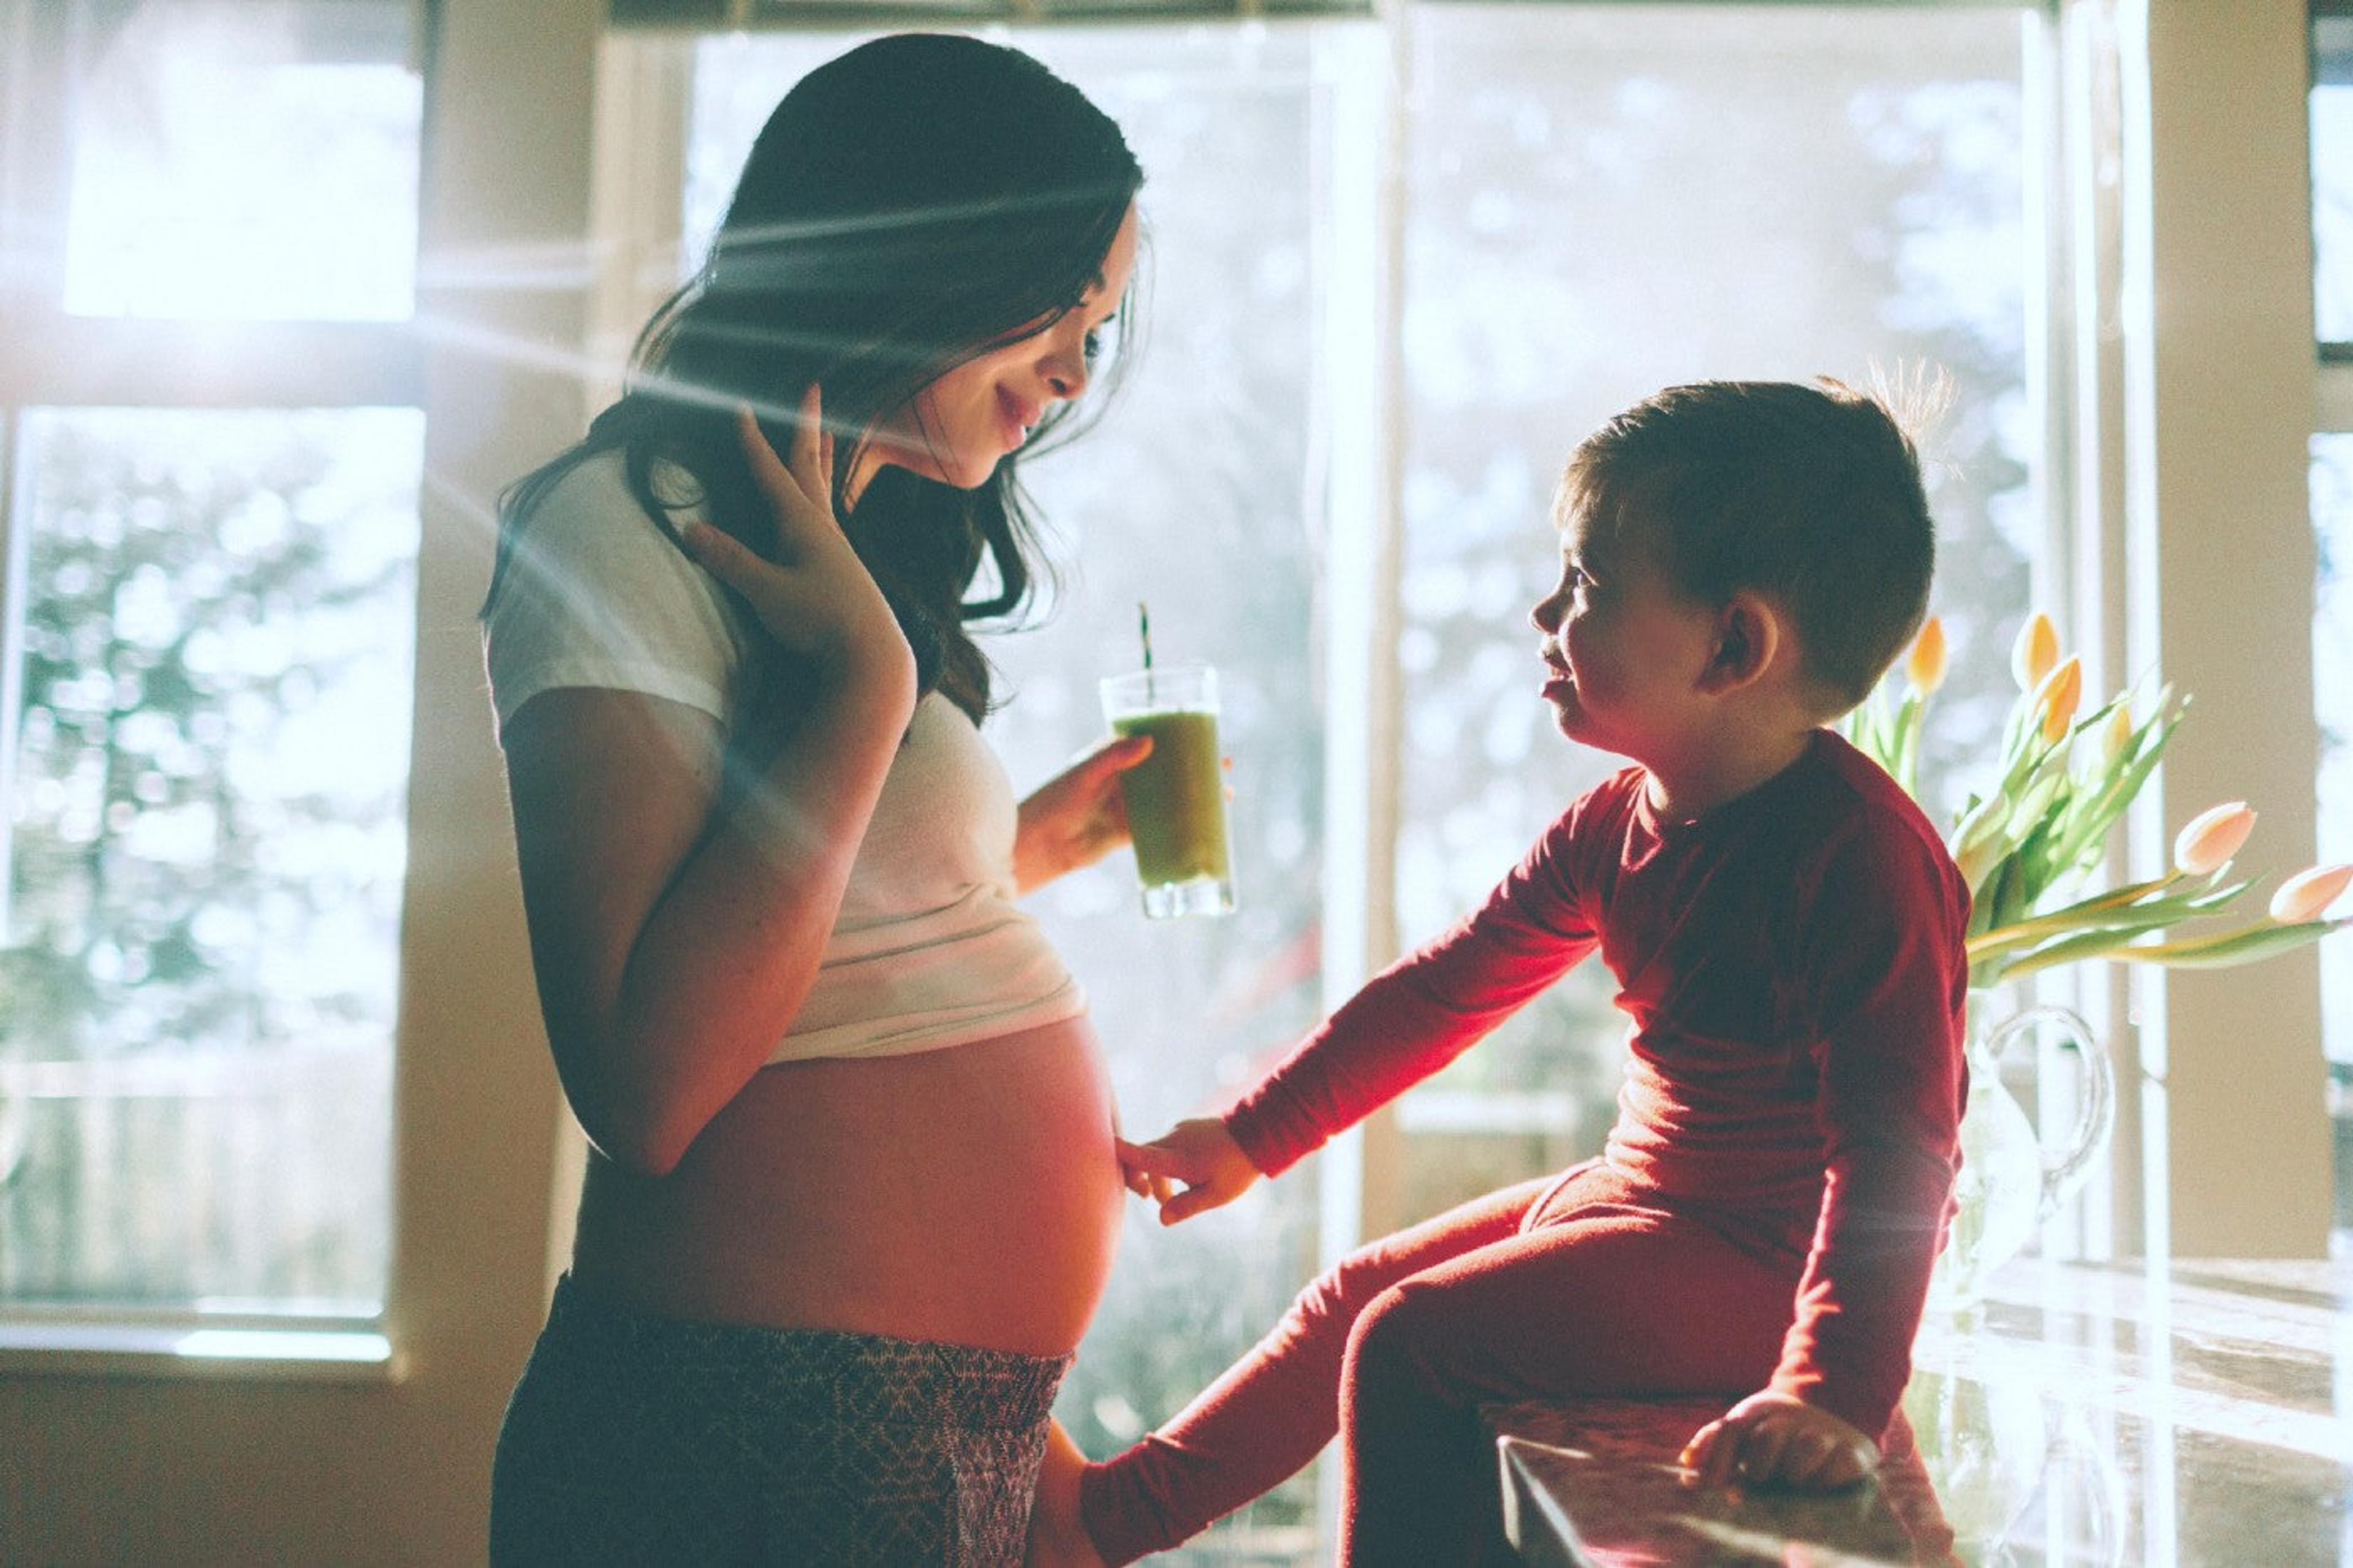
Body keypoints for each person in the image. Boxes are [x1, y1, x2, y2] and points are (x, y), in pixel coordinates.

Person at [1026, 379, 1972, 1567]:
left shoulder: (1859, 858)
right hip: (1644, 1200)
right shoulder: (1611, 824)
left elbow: (1901, 1149)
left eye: (1587, 585)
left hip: (1760, 1262)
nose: (1545, 609)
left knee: (1411, 1339)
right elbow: (1444, 990)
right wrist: (1252, 1133)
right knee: (1353, 1298)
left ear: (1732, 643)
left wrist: (1829, 1392)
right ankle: (1105, 1521)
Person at [481, 32, 1150, 1565]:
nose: (1070, 372)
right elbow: (648, 1085)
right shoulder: (622, 531)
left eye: (1097, 333)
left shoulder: (861, 554)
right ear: (920, 251)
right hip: (749, 1438)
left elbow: (826, 928)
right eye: (1056, 310)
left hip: (932, 1428)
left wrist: (1036, 838)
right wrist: (863, 690)